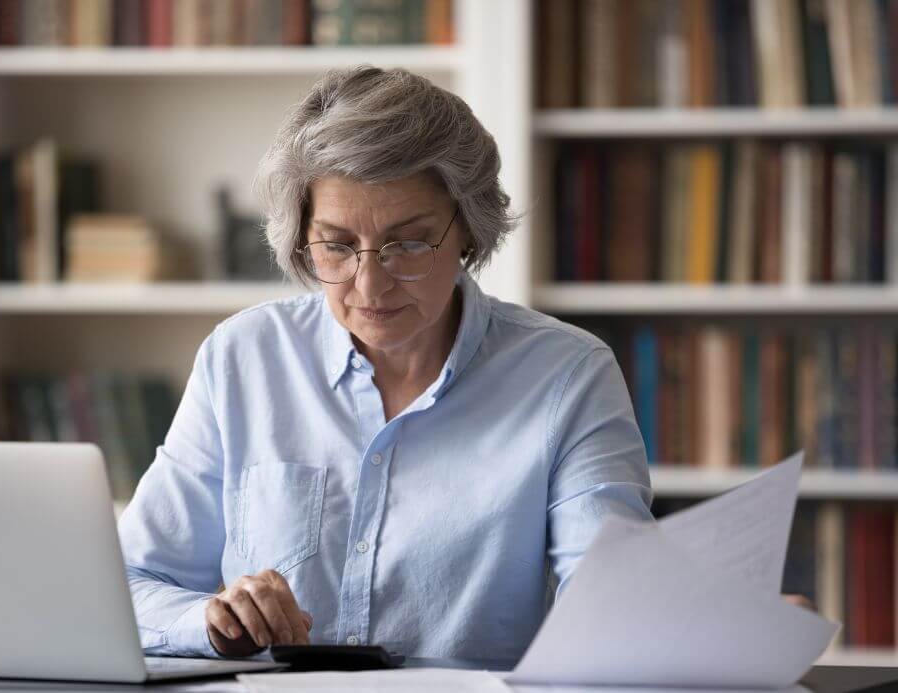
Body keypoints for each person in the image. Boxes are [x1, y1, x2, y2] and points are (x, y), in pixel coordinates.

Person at [116, 66, 654, 663]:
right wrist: (211, 621)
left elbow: (612, 604)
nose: (369, 284)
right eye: (337, 245)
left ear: (469, 235)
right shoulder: (242, 358)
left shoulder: (567, 375)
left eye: (409, 243)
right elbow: (130, 586)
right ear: (301, 238)